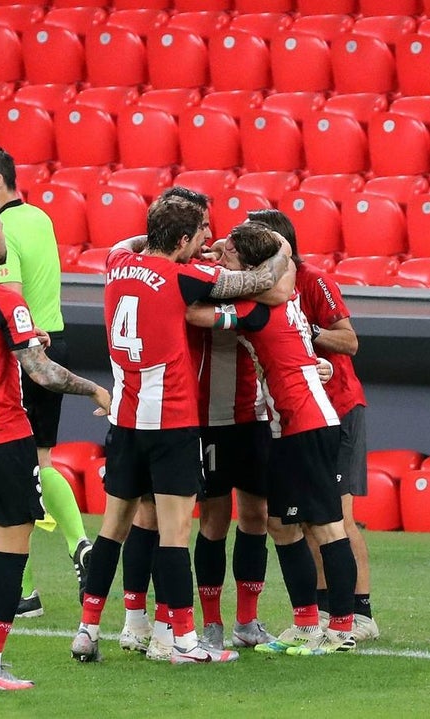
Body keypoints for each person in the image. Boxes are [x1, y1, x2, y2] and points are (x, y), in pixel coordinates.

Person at [69, 193, 290, 665]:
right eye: (202, 233)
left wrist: (158, 235)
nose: (210, 240)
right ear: (185, 239)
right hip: (169, 422)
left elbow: (128, 244)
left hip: (123, 420)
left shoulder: (116, 261)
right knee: (174, 534)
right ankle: (183, 641)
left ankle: (88, 629)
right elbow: (265, 280)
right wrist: (283, 247)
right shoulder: (185, 276)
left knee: (111, 530)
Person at [0, 200, 110, 691]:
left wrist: (22, 341)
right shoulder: (6, 299)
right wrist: (94, 389)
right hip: (3, 434)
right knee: (13, 550)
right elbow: (43, 374)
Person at [188, 221, 358, 656]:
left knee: (325, 525)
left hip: (304, 422)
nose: (222, 261)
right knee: (283, 524)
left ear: (252, 268)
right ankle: (310, 622)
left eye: (229, 257)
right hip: (295, 423)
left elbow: (194, 313)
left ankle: (339, 625)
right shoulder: (277, 295)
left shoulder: (256, 306)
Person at [0, 145, 92, 616]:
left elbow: (6, 294)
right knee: (37, 461)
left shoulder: (3, 232)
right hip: (53, 338)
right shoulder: (40, 218)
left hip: (23, 352)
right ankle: (54, 568)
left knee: (12, 472)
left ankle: (40, 576)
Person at [247, 209, 379, 643]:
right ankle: (319, 615)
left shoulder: (311, 279)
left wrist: (305, 333)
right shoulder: (263, 289)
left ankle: (358, 614)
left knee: (336, 516)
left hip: (337, 406)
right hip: (295, 414)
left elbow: (352, 341)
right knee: (295, 521)